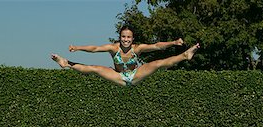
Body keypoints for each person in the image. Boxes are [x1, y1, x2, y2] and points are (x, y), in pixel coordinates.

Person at [51, 25, 200, 87]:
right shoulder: (113, 48)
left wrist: (173, 42)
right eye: (123, 37)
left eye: (129, 37)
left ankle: (185, 55)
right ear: (120, 37)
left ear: (132, 38)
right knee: (95, 68)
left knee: (157, 64)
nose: (126, 40)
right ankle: (66, 63)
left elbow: (156, 46)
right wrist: (78, 47)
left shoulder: (137, 48)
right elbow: (95, 48)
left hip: (135, 75)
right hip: (118, 76)